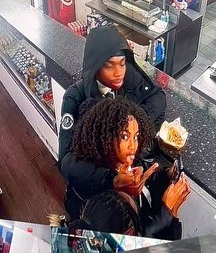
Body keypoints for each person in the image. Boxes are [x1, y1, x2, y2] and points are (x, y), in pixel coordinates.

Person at [64, 98, 190, 240]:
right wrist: (167, 212)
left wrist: (165, 175)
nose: (133, 146)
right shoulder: (96, 199)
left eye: (135, 136)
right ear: (104, 138)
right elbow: (132, 239)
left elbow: (146, 187)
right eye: (124, 136)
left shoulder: (127, 160)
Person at [59, 24, 166, 176]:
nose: (118, 73)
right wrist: (110, 179)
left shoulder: (127, 75)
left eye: (122, 63)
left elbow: (158, 97)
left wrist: (133, 123)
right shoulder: (75, 97)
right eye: (109, 66)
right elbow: (66, 161)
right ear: (94, 67)